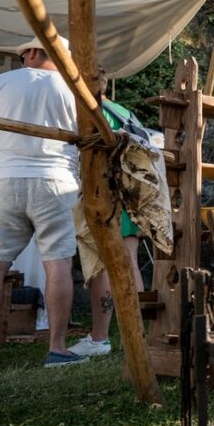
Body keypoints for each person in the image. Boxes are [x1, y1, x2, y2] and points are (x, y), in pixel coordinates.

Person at [0, 35, 85, 370]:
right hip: (56, 182)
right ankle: (57, 348)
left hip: (4, 181)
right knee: (57, 264)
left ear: (30, 52)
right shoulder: (76, 90)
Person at [69, 68, 147, 358]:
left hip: (106, 197)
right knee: (130, 262)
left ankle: (100, 337)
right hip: (131, 196)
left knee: (103, 264)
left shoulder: (92, 112)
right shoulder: (121, 110)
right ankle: (141, 331)